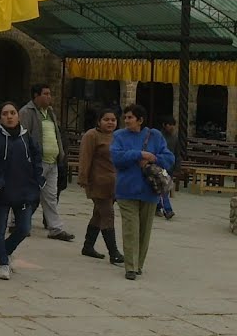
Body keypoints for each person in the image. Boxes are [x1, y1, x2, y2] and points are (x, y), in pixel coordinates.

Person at [111, 103, 174, 281]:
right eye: (125, 117)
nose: (126, 120)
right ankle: (130, 267)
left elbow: (169, 158)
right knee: (131, 228)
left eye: (130, 117)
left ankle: (139, 264)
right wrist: (139, 154)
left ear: (140, 120)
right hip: (126, 190)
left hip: (150, 190)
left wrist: (154, 157)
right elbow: (117, 157)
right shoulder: (119, 136)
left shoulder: (155, 135)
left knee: (144, 230)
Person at [0, 101, 44, 280]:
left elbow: (36, 156)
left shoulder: (26, 136)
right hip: (0, 193)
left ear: (18, 115)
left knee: (24, 228)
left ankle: (5, 251)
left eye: (12, 113)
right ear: (0, 117)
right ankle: (3, 263)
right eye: (5, 113)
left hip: (24, 191)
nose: (9, 116)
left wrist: (38, 180)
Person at [19, 84, 74, 242]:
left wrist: (61, 154)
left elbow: (56, 134)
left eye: (50, 94)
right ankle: (17, 222)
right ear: (36, 95)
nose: (50, 97)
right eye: (46, 94)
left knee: (50, 196)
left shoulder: (50, 113)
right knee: (29, 194)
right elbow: (24, 136)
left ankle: (55, 228)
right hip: (37, 161)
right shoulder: (27, 112)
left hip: (52, 161)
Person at [77, 108, 124, 265]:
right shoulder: (92, 135)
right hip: (97, 182)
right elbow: (85, 157)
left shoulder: (117, 137)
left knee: (98, 214)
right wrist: (83, 178)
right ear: (99, 121)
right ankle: (114, 252)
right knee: (108, 215)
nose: (110, 122)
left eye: (113, 120)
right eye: (106, 119)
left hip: (113, 184)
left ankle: (88, 246)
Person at [156, 117, 180, 219]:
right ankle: (168, 210)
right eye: (169, 124)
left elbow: (177, 154)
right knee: (163, 188)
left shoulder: (175, 138)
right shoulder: (158, 137)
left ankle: (157, 207)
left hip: (169, 168)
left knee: (161, 188)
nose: (171, 127)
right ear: (164, 125)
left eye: (173, 125)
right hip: (159, 167)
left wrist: (177, 167)